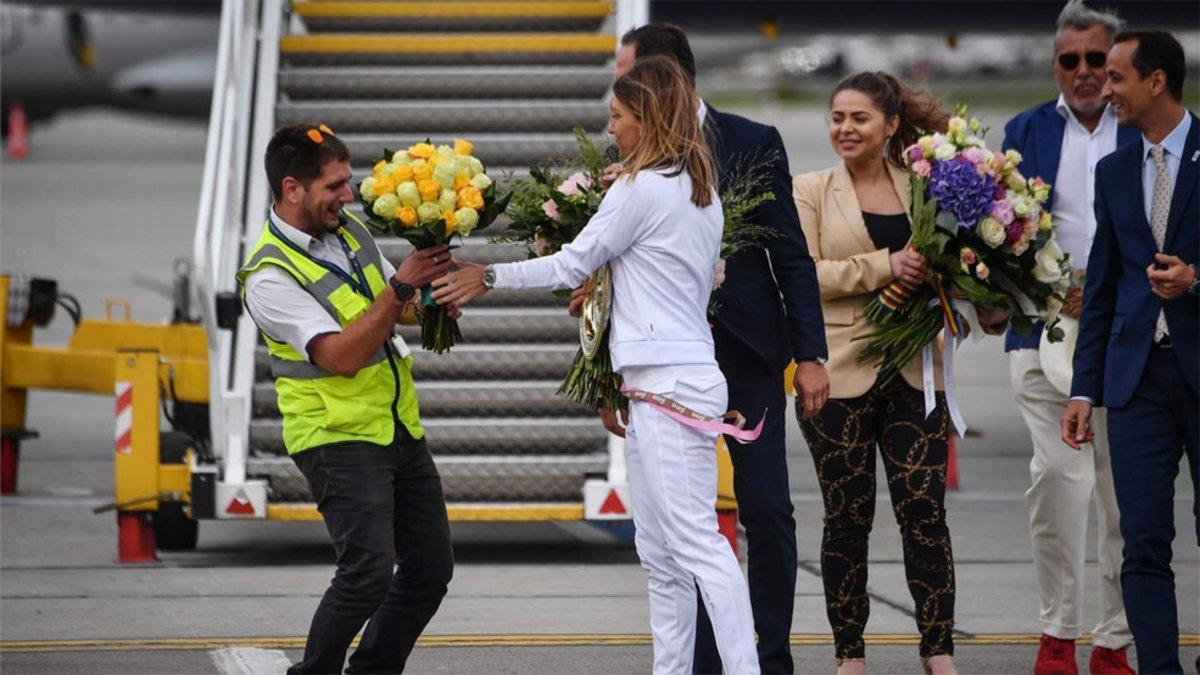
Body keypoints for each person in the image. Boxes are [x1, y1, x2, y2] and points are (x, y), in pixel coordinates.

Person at [433, 56, 760, 675]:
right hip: (666, 380)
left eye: (618, 118)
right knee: (661, 552)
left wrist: (489, 275)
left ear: (650, 120)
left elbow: (569, 263)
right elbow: (639, 274)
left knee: (694, 545)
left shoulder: (642, 190)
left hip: (667, 383)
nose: (611, 130)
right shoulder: (698, 191)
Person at [609, 24, 829, 675]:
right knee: (684, 527)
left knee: (767, 511)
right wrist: (603, 379)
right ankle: (706, 662)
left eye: (628, 75)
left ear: (667, 76)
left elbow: (791, 256)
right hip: (664, 367)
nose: (616, 95)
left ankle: (770, 656)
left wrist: (810, 352)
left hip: (747, 356)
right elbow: (609, 275)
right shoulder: (624, 149)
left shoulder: (753, 141)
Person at [793, 72, 1006, 675]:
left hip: (917, 374)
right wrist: (882, 266)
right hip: (836, 377)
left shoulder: (928, 187)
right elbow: (801, 274)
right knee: (847, 517)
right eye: (837, 116)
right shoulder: (809, 189)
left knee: (924, 513)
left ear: (890, 125)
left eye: (859, 118)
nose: (845, 128)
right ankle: (849, 653)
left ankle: (938, 650)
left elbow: (966, 264)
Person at [237, 124, 456, 674]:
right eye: (334, 186)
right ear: (292, 189)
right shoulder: (268, 275)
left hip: (394, 425)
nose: (349, 195)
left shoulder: (350, 231)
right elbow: (341, 356)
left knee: (430, 568)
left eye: (347, 182)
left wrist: (431, 300)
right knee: (367, 571)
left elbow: (390, 305)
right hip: (335, 437)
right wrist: (402, 290)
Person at [999, 3, 1138, 672]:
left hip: (1127, 334)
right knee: (1059, 481)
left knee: (1122, 496)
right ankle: (1058, 633)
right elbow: (995, 237)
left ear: (1116, 65)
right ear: (1055, 65)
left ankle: (1113, 640)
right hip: (1042, 331)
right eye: (1071, 60)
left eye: (1097, 60)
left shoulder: (1140, 129)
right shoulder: (1023, 130)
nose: (1084, 73)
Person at [1063, 30, 1198, 675]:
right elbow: (1106, 285)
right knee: (1141, 538)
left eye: (1116, 77)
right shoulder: (1114, 169)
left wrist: (1196, 280)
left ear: (1156, 82)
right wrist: (1084, 388)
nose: (1103, 89)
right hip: (1137, 379)